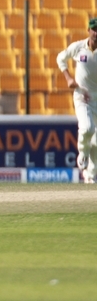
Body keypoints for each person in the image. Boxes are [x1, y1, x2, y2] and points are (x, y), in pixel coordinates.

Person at [57, 17, 97, 184]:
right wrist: (68, 79)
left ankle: (90, 177)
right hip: (82, 96)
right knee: (87, 128)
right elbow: (60, 58)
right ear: (88, 30)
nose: (96, 33)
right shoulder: (78, 47)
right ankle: (82, 152)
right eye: (94, 29)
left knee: (96, 141)